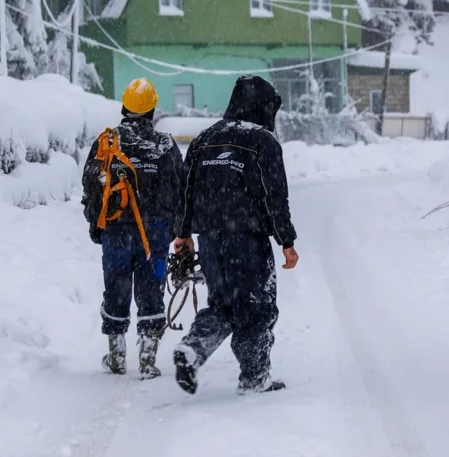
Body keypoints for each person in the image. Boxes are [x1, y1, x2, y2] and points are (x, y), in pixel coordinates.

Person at [171, 74, 299, 395]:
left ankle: (193, 348)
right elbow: (275, 196)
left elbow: (186, 190)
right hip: (248, 240)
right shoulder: (262, 141)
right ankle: (255, 378)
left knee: (222, 306)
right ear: (263, 107)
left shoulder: (204, 139)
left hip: (211, 238)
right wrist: (287, 241)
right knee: (256, 308)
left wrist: (183, 233)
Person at [81, 78, 184, 379]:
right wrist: (176, 229)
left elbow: (90, 185)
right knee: (151, 288)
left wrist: (96, 225)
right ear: (152, 110)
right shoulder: (164, 145)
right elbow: (180, 188)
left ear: (125, 107)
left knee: (116, 285)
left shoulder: (108, 142)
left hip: (116, 231)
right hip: (155, 232)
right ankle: (148, 358)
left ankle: (116, 355)